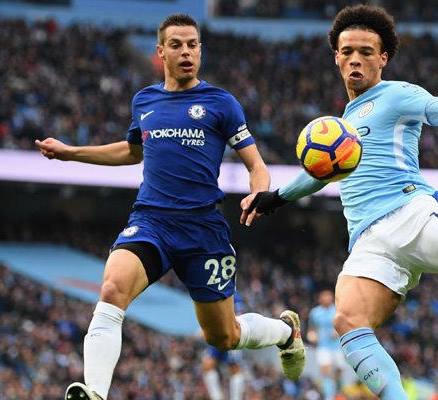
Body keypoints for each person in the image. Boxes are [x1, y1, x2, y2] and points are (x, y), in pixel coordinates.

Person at [243, 5, 438, 399]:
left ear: (383, 58)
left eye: (366, 52)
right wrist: (276, 197)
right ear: (336, 57)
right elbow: (319, 173)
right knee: (347, 319)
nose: (355, 59)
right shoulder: (340, 125)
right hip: (368, 240)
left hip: (412, 214)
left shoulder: (396, 94)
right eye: (347, 51)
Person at [35, 13, 305, 400]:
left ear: (200, 50)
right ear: (160, 52)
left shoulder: (221, 103)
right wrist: (71, 152)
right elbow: (133, 151)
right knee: (111, 289)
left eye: (192, 45)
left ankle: (285, 332)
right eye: (176, 45)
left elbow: (257, 165)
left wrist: (258, 193)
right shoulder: (144, 101)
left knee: (224, 337)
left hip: (203, 229)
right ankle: (95, 392)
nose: (186, 52)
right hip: (151, 221)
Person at [307, 289, 351, 400]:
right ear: (320, 299)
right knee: (326, 371)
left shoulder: (337, 311)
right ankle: (329, 395)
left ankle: (334, 387)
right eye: (324, 296)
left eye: (328, 296)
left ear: (332, 298)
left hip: (338, 347)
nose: (326, 298)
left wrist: (338, 333)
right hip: (323, 347)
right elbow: (311, 328)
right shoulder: (315, 312)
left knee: (340, 369)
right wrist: (312, 336)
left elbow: (346, 326)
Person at [202, 292, 246, 400]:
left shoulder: (234, 295)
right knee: (207, 365)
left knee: (234, 368)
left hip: (230, 335)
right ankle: (216, 397)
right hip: (218, 334)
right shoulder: (214, 292)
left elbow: (239, 315)